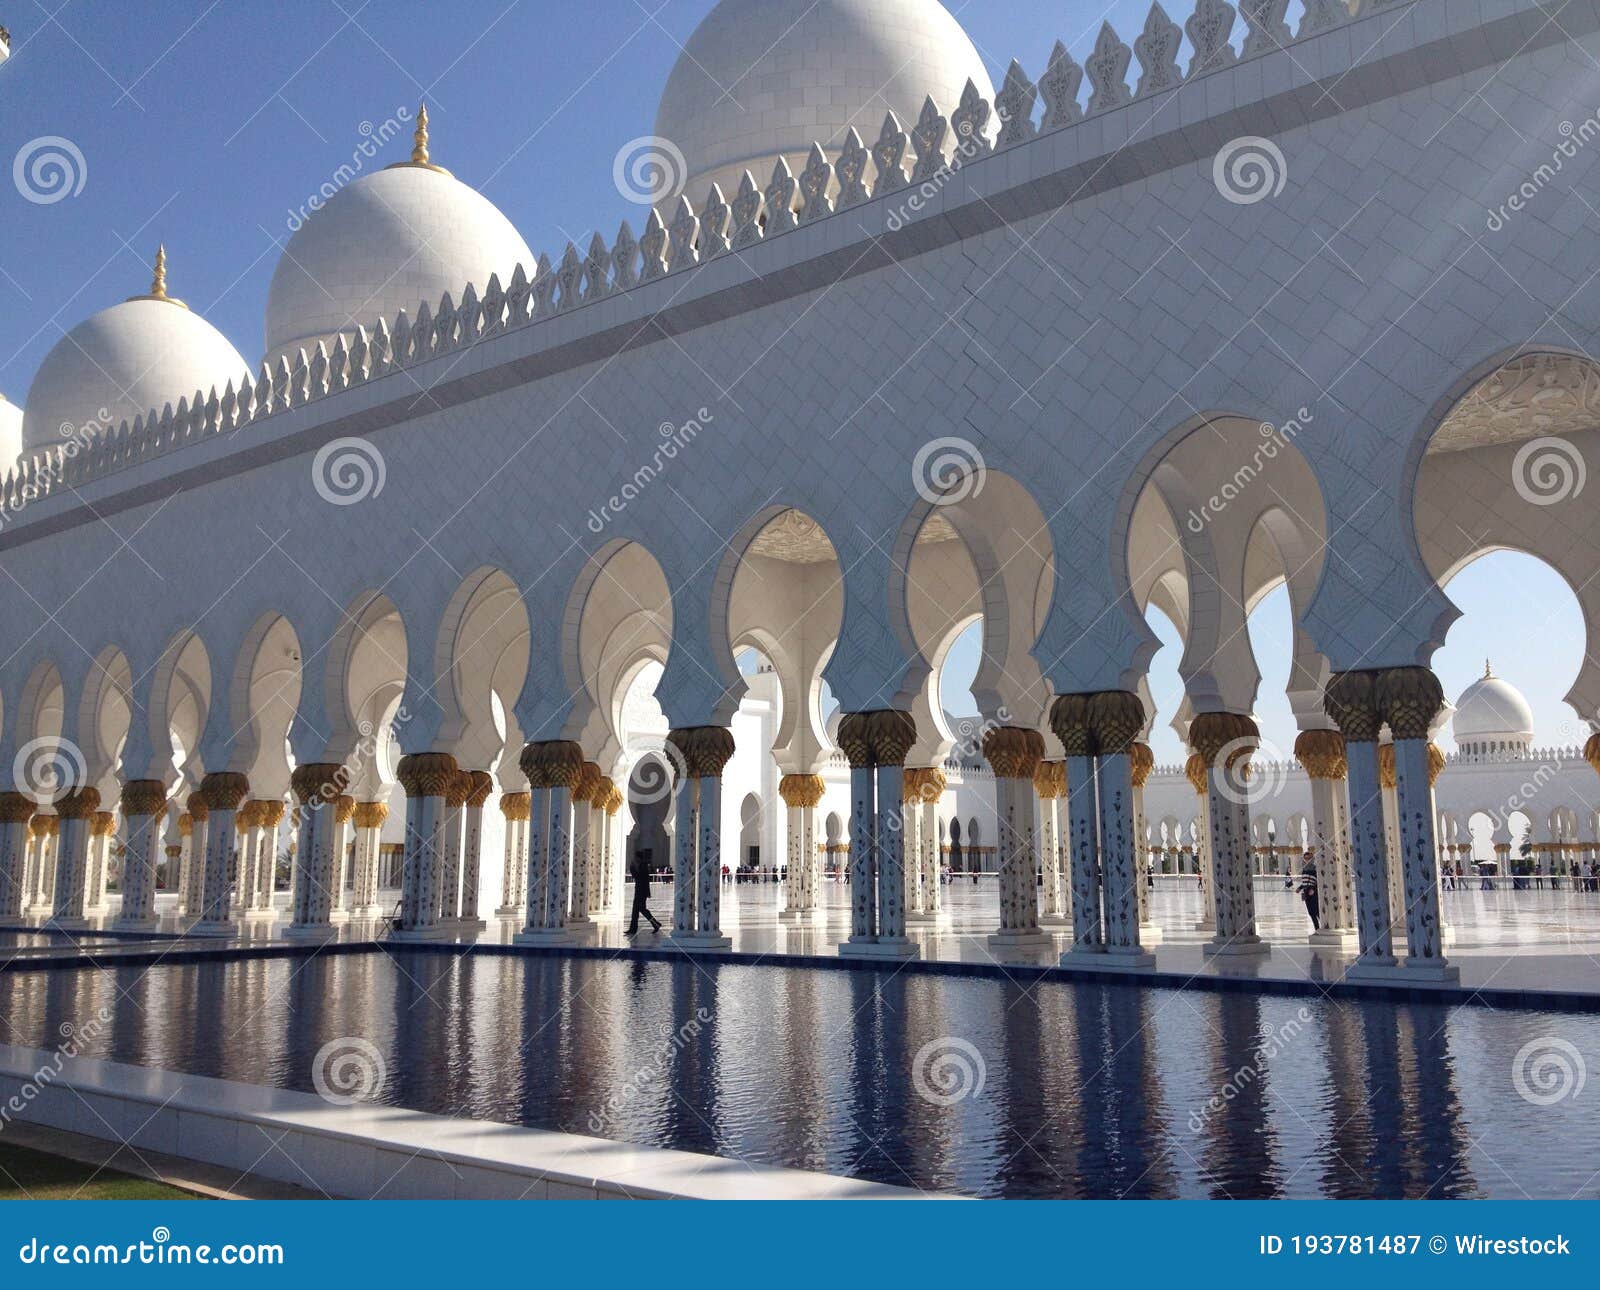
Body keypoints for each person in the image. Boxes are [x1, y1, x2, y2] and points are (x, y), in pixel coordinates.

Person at [626, 851, 662, 934]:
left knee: (641, 910)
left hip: (641, 892)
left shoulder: (643, 866)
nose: (634, 859)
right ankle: (633, 929)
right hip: (640, 891)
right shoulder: (642, 865)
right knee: (636, 910)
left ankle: (655, 924)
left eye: (635, 857)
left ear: (638, 858)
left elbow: (640, 878)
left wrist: (632, 869)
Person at [1296, 857, 1320, 932]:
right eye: (1305, 858)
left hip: (1313, 893)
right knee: (1311, 912)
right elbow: (1305, 882)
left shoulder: (1315, 870)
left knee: (1316, 911)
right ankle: (1317, 929)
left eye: (1308, 858)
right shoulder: (1304, 871)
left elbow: (1319, 881)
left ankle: (1324, 927)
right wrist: (1300, 888)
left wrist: (1314, 889)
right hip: (1306, 893)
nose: (1306, 860)